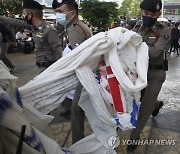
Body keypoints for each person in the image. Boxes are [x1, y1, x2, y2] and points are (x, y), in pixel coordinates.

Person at [127, 0, 171, 152]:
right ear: (141, 11)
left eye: (153, 14)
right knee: (134, 99)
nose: (149, 17)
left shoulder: (164, 30)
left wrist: (135, 45)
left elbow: (154, 53)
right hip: (138, 72)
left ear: (158, 15)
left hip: (155, 73)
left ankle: (134, 136)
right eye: (146, 13)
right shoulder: (135, 26)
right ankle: (157, 104)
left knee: (144, 107)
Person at [52, 0, 92, 143]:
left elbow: (79, 56)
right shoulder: (75, 26)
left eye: (61, 12)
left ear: (72, 13)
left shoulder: (75, 28)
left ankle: (78, 141)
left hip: (86, 75)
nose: (58, 15)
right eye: (57, 12)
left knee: (77, 109)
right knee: (78, 108)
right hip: (87, 74)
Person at [0, 0, 63, 72]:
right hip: (41, 67)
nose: (24, 16)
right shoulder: (34, 27)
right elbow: (16, 22)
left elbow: (58, 52)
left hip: (50, 68)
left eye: (24, 13)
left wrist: (58, 71)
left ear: (30, 15)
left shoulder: (49, 30)